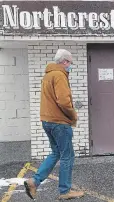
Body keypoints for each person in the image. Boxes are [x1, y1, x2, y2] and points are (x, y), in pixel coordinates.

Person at [24, 49, 85, 200]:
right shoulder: (59, 75)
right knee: (67, 156)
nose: (70, 66)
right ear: (64, 62)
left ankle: (34, 181)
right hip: (60, 123)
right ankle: (65, 191)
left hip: (48, 121)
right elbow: (64, 101)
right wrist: (73, 116)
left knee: (56, 153)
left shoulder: (48, 75)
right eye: (70, 63)